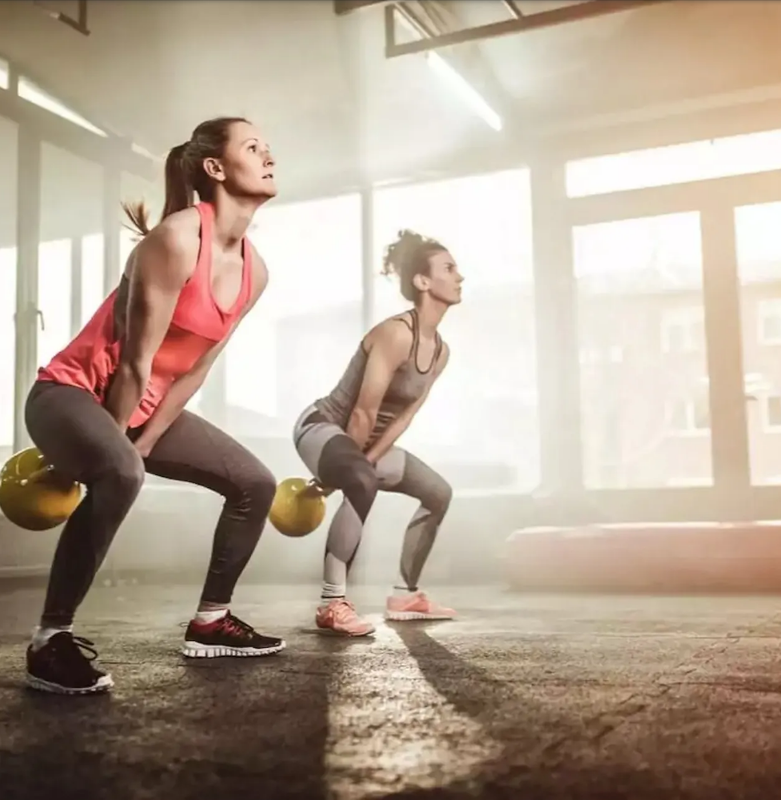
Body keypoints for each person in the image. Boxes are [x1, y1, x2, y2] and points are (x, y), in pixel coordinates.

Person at [23, 117, 284, 695]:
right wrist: (119, 454)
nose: (269, 156)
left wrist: (140, 444)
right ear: (215, 169)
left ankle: (212, 621)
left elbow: (196, 368)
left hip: (140, 408)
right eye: (253, 147)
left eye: (268, 147)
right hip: (70, 394)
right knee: (120, 472)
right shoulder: (174, 239)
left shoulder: (254, 271)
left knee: (255, 483)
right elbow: (133, 366)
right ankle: (49, 640)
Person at [291, 229, 461, 637]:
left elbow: (403, 417)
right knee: (362, 480)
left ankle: (405, 595)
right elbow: (365, 411)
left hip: (363, 445)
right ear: (422, 282)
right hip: (323, 426)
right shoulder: (395, 333)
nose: (460, 277)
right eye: (450, 269)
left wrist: (361, 463)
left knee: (438, 492)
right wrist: (350, 470)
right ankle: (332, 604)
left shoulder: (440, 351)